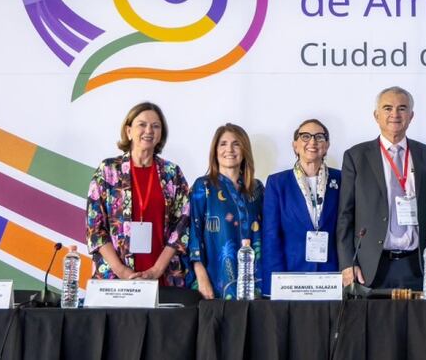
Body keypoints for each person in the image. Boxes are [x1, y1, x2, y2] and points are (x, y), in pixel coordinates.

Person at [337, 86, 426, 289]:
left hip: (418, 265)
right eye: (387, 108)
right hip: (370, 267)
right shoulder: (356, 156)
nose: (395, 114)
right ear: (376, 115)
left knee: (419, 321)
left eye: (402, 108)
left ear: (411, 116)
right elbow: (344, 216)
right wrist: (347, 263)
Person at [86, 102, 190, 286]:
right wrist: (122, 271)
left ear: (161, 135)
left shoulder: (172, 173)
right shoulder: (108, 170)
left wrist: (156, 270)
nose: (149, 130)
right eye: (142, 124)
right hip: (115, 280)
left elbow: (182, 226)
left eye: (156, 126)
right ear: (128, 131)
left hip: (163, 277)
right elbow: (95, 227)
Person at [187, 123, 264, 299]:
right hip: (215, 281)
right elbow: (193, 233)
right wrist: (201, 277)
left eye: (236, 143)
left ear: (245, 150)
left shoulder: (257, 189)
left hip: (255, 282)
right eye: (223, 144)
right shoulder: (203, 186)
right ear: (215, 150)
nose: (229, 149)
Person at [263, 119, 341, 292]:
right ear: (295, 145)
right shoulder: (277, 183)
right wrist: (273, 286)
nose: (312, 142)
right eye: (305, 136)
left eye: (319, 137)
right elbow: (271, 236)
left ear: (327, 145)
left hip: (332, 277)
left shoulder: (342, 180)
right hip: (291, 278)